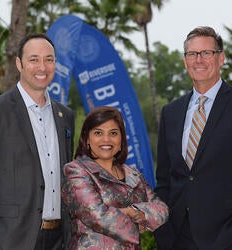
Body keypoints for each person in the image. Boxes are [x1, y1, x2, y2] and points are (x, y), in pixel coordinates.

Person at [0, 33, 74, 250]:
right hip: (8, 241)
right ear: (19, 64)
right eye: (34, 59)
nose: (42, 67)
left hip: (59, 241)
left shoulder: (66, 116)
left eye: (49, 59)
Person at [153, 26, 232, 249]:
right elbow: (165, 180)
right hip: (176, 238)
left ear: (221, 58)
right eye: (192, 54)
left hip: (224, 237)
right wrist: (163, 231)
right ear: (185, 60)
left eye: (207, 53)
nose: (199, 60)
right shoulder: (171, 112)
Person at [61, 106, 168, 249]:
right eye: (98, 133)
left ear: (121, 140)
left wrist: (134, 211)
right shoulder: (76, 171)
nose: (106, 139)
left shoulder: (134, 174)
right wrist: (140, 217)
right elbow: (97, 216)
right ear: (87, 138)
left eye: (113, 133)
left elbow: (162, 210)